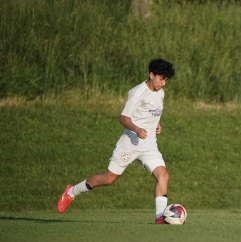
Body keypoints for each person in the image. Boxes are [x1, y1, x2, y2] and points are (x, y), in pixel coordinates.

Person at [57, 58, 175, 224]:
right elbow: (123, 117)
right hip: (129, 144)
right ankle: (71, 192)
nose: (163, 83)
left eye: (166, 80)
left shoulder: (160, 93)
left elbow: (153, 113)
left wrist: (157, 125)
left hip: (149, 145)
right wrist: (136, 129)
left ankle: (159, 218)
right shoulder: (137, 92)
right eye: (161, 79)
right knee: (108, 179)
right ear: (151, 74)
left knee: (163, 175)